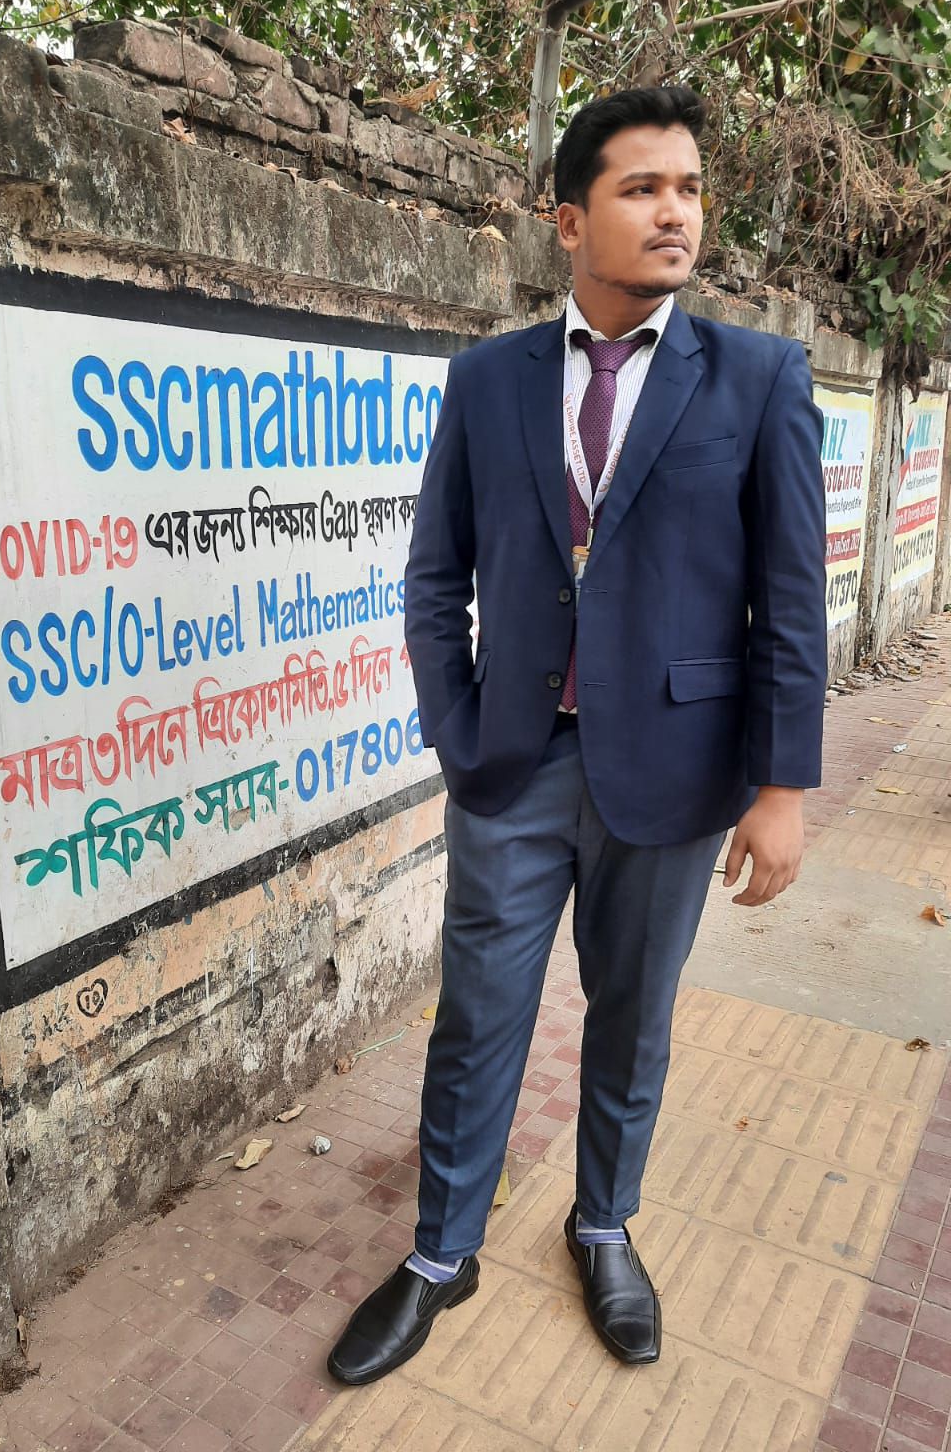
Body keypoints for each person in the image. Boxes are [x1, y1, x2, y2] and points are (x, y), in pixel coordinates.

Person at [327, 85, 827, 1383]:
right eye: (641, 188)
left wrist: (782, 786)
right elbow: (435, 575)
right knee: (476, 1016)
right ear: (568, 220)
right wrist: (455, 726)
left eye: (689, 188)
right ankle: (442, 1252)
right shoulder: (488, 380)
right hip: (512, 765)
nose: (676, 212)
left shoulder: (758, 378)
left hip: (676, 772)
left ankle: (603, 1226)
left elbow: (790, 597)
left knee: (632, 1016)